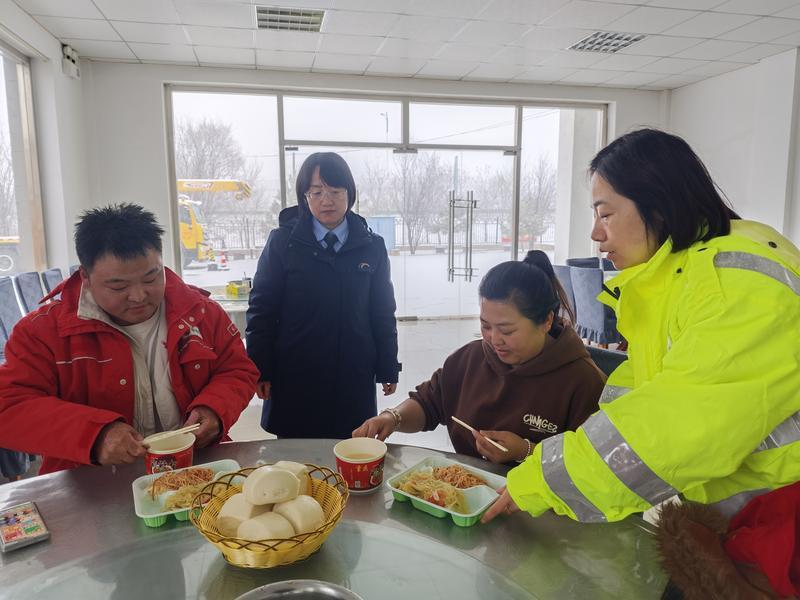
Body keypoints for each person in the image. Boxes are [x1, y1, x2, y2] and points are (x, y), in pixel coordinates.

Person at [483, 128, 800, 531]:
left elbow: (671, 427)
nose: (596, 233)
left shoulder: (734, 285)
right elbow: (635, 400)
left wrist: (542, 481)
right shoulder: (673, 278)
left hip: (779, 513)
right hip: (736, 514)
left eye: (605, 214)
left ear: (658, 205)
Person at [0, 204, 259, 474]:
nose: (138, 296)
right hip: (93, 479)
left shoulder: (200, 312)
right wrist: (94, 435)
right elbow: (8, 406)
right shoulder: (43, 332)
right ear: (85, 276)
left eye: (151, 278)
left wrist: (215, 408)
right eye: (118, 286)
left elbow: (237, 370)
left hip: (196, 467)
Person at [353, 251, 606, 463]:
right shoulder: (469, 360)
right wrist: (393, 418)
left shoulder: (583, 382)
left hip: (538, 503)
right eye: (485, 326)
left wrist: (526, 451)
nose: (494, 339)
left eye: (507, 330)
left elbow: (593, 465)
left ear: (546, 321)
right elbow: (428, 402)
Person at [246, 152, 400, 439]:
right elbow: (262, 310)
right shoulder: (283, 242)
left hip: (353, 374)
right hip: (295, 373)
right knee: (295, 458)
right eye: (316, 192)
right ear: (304, 196)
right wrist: (260, 369)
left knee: (352, 450)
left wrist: (388, 366)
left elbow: (382, 311)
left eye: (335, 191)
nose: (326, 200)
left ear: (349, 194)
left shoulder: (372, 246)